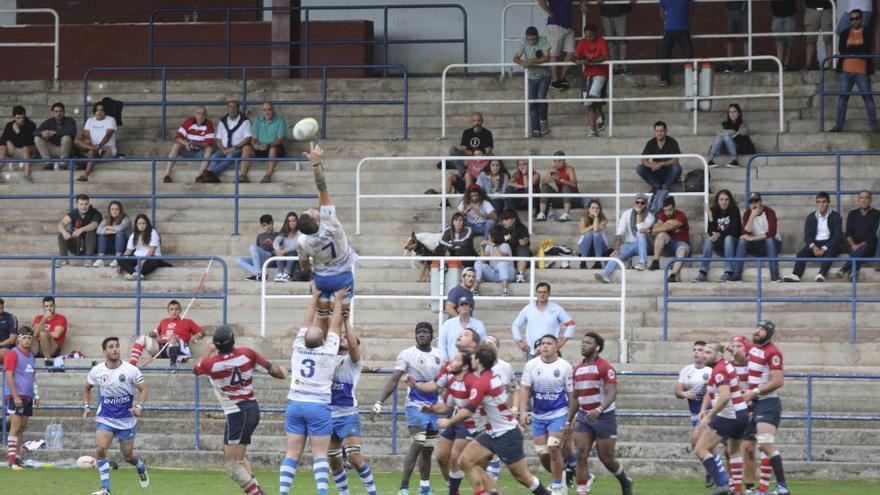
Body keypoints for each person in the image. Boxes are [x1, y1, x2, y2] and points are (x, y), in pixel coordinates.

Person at [442, 343, 553, 495]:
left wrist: (448, 422)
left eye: (474, 356)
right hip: (490, 433)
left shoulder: (482, 383)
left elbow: (468, 412)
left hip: (506, 434)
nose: (471, 359)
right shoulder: (487, 377)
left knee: (522, 477)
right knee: (465, 461)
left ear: (478, 360)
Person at [193, 326, 287, 495]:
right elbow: (274, 371)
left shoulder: (211, 364)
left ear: (215, 344)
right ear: (234, 340)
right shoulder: (247, 353)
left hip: (239, 412)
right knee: (230, 453)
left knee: (233, 466)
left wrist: (208, 351)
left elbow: (196, 369)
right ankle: (258, 490)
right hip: (244, 410)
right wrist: (284, 372)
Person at [279, 286, 346, 495]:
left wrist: (315, 296)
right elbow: (335, 325)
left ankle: (283, 492)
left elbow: (307, 322)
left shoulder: (298, 349)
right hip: (318, 406)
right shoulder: (328, 353)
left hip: (296, 404)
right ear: (322, 341)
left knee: (292, 453)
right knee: (319, 454)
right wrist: (338, 299)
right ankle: (322, 492)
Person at [371, 322, 442, 495]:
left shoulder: (440, 356)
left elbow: (443, 382)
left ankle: (424, 486)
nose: (421, 335)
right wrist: (379, 402)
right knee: (417, 442)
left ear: (432, 336)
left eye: (425, 332)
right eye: (418, 332)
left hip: (434, 406)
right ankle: (404, 487)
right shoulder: (407, 354)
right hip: (415, 405)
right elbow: (394, 379)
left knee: (428, 448)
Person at [298, 143, 358, 330]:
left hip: (321, 277)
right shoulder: (329, 223)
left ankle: (321, 347)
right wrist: (316, 164)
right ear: (317, 220)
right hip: (342, 275)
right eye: (311, 212)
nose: (312, 209)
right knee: (340, 318)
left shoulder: (302, 241)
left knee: (321, 319)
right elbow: (322, 188)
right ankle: (338, 347)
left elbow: (304, 265)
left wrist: (310, 275)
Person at [566, 332, 634, 495]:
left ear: (597, 347)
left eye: (588, 343)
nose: (583, 345)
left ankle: (625, 480)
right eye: (582, 342)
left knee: (606, 458)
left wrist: (599, 409)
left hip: (604, 417)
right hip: (584, 416)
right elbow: (575, 396)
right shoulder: (578, 368)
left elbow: (612, 392)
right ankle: (582, 490)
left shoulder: (604, 366)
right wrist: (569, 420)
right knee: (581, 453)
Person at [83, 336, 150, 495]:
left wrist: (139, 407)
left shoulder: (130, 370)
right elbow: (86, 388)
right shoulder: (98, 370)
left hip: (126, 420)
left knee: (127, 456)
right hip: (106, 417)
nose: (115, 349)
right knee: (100, 449)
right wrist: (87, 406)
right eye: (111, 347)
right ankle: (106, 488)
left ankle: (140, 466)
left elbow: (144, 389)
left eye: (117, 346)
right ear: (105, 351)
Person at [328, 317, 379, 495]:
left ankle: (373, 492)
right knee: (333, 461)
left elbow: (353, 346)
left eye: (346, 337)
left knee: (354, 457)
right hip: (327, 414)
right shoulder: (327, 358)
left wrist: (345, 320)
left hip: (347, 414)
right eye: (340, 336)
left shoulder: (354, 361)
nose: (342, 337)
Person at [519, 334, 574, 495]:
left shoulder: (565, 366)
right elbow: (525, 388)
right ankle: (561, 476)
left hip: (559, 413)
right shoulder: (531, 365)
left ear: (556, 347)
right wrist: (523, 412)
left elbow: (572, 394)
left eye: (549, 343)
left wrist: (571, 418)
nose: (545, 346)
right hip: (538, 416)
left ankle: (557, 486)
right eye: (542, 343)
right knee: (543, 454)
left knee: (553, 448)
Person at [740, 320, 790, 495]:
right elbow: (739, 356)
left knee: (765, 442)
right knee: (746, 448)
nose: (758, 331)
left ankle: (782, 486)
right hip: (752, 403)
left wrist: (753, 391)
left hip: (768, 403)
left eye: (763, 330)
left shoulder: (773, 352)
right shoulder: (752, 348)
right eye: (758, 328)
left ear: (769, 334)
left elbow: (778, 381)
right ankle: (750, 490)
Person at [693, 341, 749, 495]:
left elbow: (724, 398)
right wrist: (708, 409)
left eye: (708, 353)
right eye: (703, 352)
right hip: (742, 414)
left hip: (730, 415)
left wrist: (709, 416)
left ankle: (723, 483)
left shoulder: (719, 370)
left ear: (718, 355)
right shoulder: (725, 365)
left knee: (701, 448)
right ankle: (737, 490)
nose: (704, 355)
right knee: (734, 451)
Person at [675, 340, 726, 489]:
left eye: (701, 350)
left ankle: (719, 478)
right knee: (707, 447)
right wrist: (683, 392)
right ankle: (718, 477)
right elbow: (677, 391)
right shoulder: (686, 370)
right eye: (695, 350)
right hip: (694, 413)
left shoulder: (711, 370)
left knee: (696, 443)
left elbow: (715, 392)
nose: (697, 352)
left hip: (709, 413)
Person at [830, 9, 877, 133]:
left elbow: (866, 48)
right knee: (843, 98)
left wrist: (851, 50)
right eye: (852, 19)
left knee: (868, 98)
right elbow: (842, 49)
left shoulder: (867, 32)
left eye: (857, 18)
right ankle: (838, 125)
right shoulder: (845, 32)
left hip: (862, 71)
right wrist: (856, 51)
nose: (854, 21)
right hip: (846, 71)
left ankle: (874, 126)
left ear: (861, 19)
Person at [783, 191, 843, 282]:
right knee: (801, 254)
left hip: (831, 243)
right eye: (819, 202)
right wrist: (813, 246)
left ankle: (821, 274)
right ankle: (796, 275)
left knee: (830, 252)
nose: (821, 204)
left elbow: (838, 236)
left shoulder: (836, 216)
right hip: (816, 243)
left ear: (828, 203)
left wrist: (824, 248)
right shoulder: (811, 217)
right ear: (816, 203)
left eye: (824, 202)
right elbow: (808, 236)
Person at [595, 193, 655, 283]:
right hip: (630, 244)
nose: (639, 205)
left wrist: (638, 213)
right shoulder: (627, 213)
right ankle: (606, 274)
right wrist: (617, 248)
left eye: (642, 203)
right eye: (637, 202)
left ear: (646, 204)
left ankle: (643, 262)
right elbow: (620, 232)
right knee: (616, 254)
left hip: (645, 245)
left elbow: (640, 229)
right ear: (634, 203)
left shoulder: (650, 216)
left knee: (640, 233)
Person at [128, 299, 205, 367]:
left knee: (173, 338)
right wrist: (153, 334)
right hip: (160, 348)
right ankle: (132, 364)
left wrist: (198, 335)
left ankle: (172, 365)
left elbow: (202, 332)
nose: (174, 311)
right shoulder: (164, 321)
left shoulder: (188, 322)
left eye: (176, 309)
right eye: (171, 309)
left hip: (176, 348)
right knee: (142, 338)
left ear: (180, 310)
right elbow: (155, 332)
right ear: (168, 311)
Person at [511, 282, 576, 360]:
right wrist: (519, 341)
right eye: (539, 292)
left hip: (551, 352)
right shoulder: (528, 309)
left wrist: (561, 343)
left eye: (544, 292)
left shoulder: (556, 309)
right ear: (536, 293)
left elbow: (571, 324)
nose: (542, 294)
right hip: (533, 352)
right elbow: (515, 325)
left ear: (549, 293)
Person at [3, 327, 37, 471]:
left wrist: (37, 394)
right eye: (24, 337)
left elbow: (33, 377)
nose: (27, 340)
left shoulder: (32, 356)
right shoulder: (12, 354)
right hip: (16, 396)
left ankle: (17, 457)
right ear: (18, 339)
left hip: (27, 397)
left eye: (29, 338)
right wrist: (15, 396)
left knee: (21, 429)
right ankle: (11, 461)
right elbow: (9, 375)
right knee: (15, 427)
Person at [693, 189, 742, 282]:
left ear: (730, 201)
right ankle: (702, 272)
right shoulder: (714, 211)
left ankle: (728, 272)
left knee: (728, 238)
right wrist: (710, 215)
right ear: (718, 200)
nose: (724, 202)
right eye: (721, 199)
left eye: (726, 199)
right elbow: (710, 232)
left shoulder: (734, 210)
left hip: (733, 245)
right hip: (720, 246)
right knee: (709, 239)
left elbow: (735, 230)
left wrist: (719, 234)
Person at [734, 192, 783, 283]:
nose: (754, 204)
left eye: (756, 201)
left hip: (773, 244)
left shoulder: (769, 212)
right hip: (757, 245)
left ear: (761, 202)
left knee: (769, 240)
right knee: (742, 241)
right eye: (751, 202)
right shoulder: (747, 214)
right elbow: (745, 233)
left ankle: (775, 276)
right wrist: (752, 216)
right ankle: (736, 276)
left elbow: (771, 233)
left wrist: (752, 238)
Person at [538, 0, 585, 91]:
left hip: (568, 26)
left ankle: (562, 78)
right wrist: (548, 11)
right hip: (555, 25)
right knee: (554, 54)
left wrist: (583, 2)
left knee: (571, 52)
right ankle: (555, 81)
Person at [515, 26, 552, 137]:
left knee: (541, 98)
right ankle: (535, 128)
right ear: (526, 38)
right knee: (532, 102)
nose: (531, 41)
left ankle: (544, 122)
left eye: (534, 39)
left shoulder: (543, 40)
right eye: (529, 39)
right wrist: (522, 63)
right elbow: (515, 58)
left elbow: (547, 57)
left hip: (544, 76)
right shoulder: (523, 42)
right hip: (531, 77)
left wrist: (532, 61)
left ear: (537, 36)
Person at [204, 100, 253, 183]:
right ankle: (212, 176)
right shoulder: (222, 121)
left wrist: (235, 148)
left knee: (230, 157)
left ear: (238, 109)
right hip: (224, 148)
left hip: (238, 149)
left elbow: (248, 138)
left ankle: (211, 174)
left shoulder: (245, 121)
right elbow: (218, 139)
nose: (232, 109)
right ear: (228, 109)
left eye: (234, 107)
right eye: (230, 107)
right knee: (214, 157)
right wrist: (222, 149)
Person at [445, 112, 493, 195]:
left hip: (480, 158)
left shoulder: (487, 133)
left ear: (482, 121)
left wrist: (478, 156)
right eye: (474, 120)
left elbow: (489, 149)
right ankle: (463, 173)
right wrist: (472, 155)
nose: (477, 123)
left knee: (493, 157)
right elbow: (463, 148)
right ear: (471, 121)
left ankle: (470, 174)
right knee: (453, 150)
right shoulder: (467, 132)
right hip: (467, 157)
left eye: (479, 120)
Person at [574, 24, 609, 137]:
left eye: (591, 36)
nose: (589, 38)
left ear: (596, 34)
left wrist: (591, 61)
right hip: (587, 74)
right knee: (589, 103)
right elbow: (575, 57)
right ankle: (592, 130)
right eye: (587, 36)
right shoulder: (582, 42)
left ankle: (600, 115)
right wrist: (578, 61)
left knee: (593, 97)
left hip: (600, 73)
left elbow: (605, 57)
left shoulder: (601, 41)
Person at [836, 190, 880, 280]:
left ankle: (844, 268)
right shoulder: (852, 214)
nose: (864, 200)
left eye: (866, 198)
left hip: (869, 245)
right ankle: (853, 273)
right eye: (861, 198)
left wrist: (859, 245)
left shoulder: (877, 214)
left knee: (861, 249)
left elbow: (875, 234)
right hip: (854, 245)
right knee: (856, 251)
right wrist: (853, 245)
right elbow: (848, 232)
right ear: (858, 200)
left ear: (870, 200)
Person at [164, 106, 214, 183]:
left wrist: (198, 144)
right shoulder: (189, 121)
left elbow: (209, 142)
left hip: (199, 152)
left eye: (203, 114)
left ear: (206, 115)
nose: (201, 116)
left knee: (209, 148)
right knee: (176, 145)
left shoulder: (209, 124)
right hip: (187, 149)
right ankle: (167, 174)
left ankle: (200, 176)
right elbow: (177, 137)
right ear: (195, 114)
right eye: (199, 113)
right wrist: (186, 144)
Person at [118, 214, 171, 281]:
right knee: (120, 258)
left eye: (143, 223)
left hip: (151, 257)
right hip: (137, 257)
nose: (141, 226)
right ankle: (134, 273)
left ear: (147, 224)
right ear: (136, 225)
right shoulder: (134, 234)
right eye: (139, 224)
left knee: (153, 261)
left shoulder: (153, 233)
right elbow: (128, 250)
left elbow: (151, 251)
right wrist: (121, 263)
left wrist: (142, 261)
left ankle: (139, 274)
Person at [650, 196, 691, 282]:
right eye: (665, 210)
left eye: (670, 210)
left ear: (674, 207)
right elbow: (654, 232)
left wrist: (665, 225)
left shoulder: (681, 215)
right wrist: (666, 225)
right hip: (668, 245)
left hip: (681, 244)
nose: (667, 213)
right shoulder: (662, 216)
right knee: (661, 235)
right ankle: (655, 261)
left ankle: (673, 275)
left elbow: (673, 225)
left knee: (683, 250)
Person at [74, 101, 118, 182]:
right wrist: (87, 142)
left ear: (105, 111)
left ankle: (86, 174)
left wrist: (100, 145)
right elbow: (85, 135)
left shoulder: (111, 119)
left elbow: (108, 134)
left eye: (102, 110)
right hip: (94, 148)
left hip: (107, 149)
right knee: (77, 141)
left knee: (91, 152)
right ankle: (93, 150)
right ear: (94, 111)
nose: (99, 112)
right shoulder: (90, 120)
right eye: (97, 110)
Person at [245, 101, 287, 183]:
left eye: (269, 110)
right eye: (264, 110)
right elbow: (253, 138)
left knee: (273, 149)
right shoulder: (257, 120)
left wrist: (268, 145)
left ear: (273, 110)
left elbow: (280, 139)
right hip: (261, 148)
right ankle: (243, 176)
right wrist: (255, 145)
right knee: (246, 148)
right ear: (262, 111)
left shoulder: (280, 120)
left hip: (275, 147)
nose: (267, 112)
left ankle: (267, 176)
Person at [57, 193, 102, 265]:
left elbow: (95, 224)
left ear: (89, 204)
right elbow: (61, 223)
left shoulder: (95, 213)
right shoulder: (74, 213)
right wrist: (64, 232)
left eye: (86, 204)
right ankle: (64, 259)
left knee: (90, 231)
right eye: (81, 204)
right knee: (61, 234)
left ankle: (88, 259)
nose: (84, 206)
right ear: (77, 204)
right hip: (76, 245)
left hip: (91, 245)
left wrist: (81, 230)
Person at [637, 121, 682, 194]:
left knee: (676, 168)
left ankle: (665, 187)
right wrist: (652, 165)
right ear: (654, 132)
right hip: (656, 171)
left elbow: (676, 160)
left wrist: (661, 164)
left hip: (668, 171)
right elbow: (643, 160)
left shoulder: (672, 142)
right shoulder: (651, 143)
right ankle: (657, 186)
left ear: (665, 131)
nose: (659, 133)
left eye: (661, 131)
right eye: (657, 131)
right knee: (640, 168)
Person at [658, 0, 694, 87]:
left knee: (689, 53)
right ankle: (664, 79)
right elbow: (661, 11)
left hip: (683, 29)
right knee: (665, 54)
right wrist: (669, 21)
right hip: (670, 30)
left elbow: (690, 9)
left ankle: (692, 78)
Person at [536, 151, 579, 222]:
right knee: (545, 187)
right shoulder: (553, 169)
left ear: (564, 160)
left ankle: (566, 214)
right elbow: (542, 182)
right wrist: (550, 179)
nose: (557, 163)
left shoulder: (569, 169)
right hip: (561, 198)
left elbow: (574, 184)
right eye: (555, 161)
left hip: (573, 198)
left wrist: (561, 180)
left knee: (566, 186)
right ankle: (542, 213)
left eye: (560, 161)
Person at [707, 103, 753, 168]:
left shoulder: (743, 125)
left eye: (734, 111)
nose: (732, 114)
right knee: (720, 137)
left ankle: (735, 161)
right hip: (725, 148)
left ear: (739, 113)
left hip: (738, 147)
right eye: (730, 112)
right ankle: (710, 160)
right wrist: (731, 133)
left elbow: (741, 134)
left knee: (726, 137)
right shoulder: (725, 124)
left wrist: (728, 134)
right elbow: (719, 134)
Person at [474, 226, 516, 296]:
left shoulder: (505, 245)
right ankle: (474, 289)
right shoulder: (489, 246)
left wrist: (493, 245)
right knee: (478, 262)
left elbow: (501, 258)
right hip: (495, 275)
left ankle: (505, 290)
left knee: (502, 264)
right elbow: (483, 260)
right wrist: (482, 248)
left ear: (494, 237)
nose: (488, 237)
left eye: (490, 235)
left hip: (508, 275)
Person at [34, 102, 76, 169]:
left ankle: (63, 163)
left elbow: (71, 132)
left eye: (60, 111)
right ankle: (48, 162)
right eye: (56, 111)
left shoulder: (69, 121)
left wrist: (55, 133)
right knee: (37, 138)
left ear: (64, 112)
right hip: (52, 149)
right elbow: (36, 132)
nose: (58, 114)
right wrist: (43, 133)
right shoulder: (49, 121)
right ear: (52, 112)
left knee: (66, 138)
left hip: (65, 150)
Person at [237, 214, 279, 282]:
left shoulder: (279, 235)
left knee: (252, 247)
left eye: (269, 224)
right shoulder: (260, 236)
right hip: (261, 259)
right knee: (239, 259)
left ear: (272, 223)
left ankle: (257, 274)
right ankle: (258, 274)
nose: (267, 227)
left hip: (271, 258)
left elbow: (281, 251)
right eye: (265, 225)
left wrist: (272, 244)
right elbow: (255, 254)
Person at [0, 105, 36, 182]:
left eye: (22, 117)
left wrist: (18, 132)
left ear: (25, 116)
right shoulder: (9, 125)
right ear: (14, 117)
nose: (21, 120)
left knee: (25, 147)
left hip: (29, 151)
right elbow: (2, 141)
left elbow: (29, 142)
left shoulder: (31, 125)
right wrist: (8, 143)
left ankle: (27, 176)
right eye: (18, 118)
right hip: (14, 151)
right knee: (3, 147)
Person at [597, 0, 634, 75]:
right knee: (610, 42)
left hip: (620, 11)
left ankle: (624, 66)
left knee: (622, 40)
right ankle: (614, 66)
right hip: (606, 12)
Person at [93, 200, 132, 268]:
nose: (114, 211)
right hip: (112, 245)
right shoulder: (106, 219)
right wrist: (112, 231)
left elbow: (120, 228)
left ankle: (118, 258)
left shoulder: (125, 219)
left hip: (124, 246)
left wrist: (108, 227)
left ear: (120, 210)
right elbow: (98, 230)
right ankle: (100, 259)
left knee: (120, 234)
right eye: (112, 209)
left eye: (117, 209)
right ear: (109, 210)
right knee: (102, 235)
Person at [499, 209, 532, 283]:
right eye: (503, 220)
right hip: (505, 256)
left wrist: (524, 241)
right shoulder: (500, 229)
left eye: (506, 219)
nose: (504, 222)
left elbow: (526, 239)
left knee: (522, 248)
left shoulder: (521, 227)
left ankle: (520, 275)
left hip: (519, 256)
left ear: (513, 219)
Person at [273, 211, 304, 282]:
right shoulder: (284, 232)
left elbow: (296, 245)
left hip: (296, 255)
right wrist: (278, 250)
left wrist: (284, 250)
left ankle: (287, 274)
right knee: (278, 253)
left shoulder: (300, 232)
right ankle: (280, 274)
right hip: (284, 255)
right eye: (289, 221)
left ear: (297, 222)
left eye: (293, 221)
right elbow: (276, 242)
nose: (291, 223)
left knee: (292, 252)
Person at [578, 200, 609, 269]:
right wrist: (592, 226)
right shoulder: (584, 218)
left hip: (601, 248)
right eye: (593, 208)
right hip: (587, 248)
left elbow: (596, 229)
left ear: (600, 210)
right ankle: (583, 262)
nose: (595, 210)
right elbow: (582, 231)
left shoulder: (604, 220)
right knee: (588, 235)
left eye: (597, 208)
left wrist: (595, 217)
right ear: (589, 209)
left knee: (596, 234)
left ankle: (598, 262)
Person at [804, 0, 834, 71]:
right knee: (810, 39)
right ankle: (807, 66)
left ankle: (830, 66)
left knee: (828, 38)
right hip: (812, 8)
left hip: (827, 9)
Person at [722, 1, 748, 73]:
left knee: (747, 38)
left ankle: (747, 64)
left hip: (745, 9)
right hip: (731, 10)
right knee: (730, 38)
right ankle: (730, 64)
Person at [771, 0, 797, 70]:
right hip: (777, 14)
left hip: (790, 14)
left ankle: (786, 64)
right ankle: (780, 64)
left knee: (790, 41)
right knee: (779, 41)